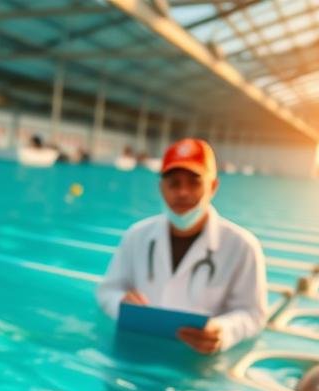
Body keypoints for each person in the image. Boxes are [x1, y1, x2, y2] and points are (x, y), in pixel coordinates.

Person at [96, 138, 267, 354]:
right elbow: (107, 291)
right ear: (161, 188)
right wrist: (120, 302)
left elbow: (253, 314)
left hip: (195, 364)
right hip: (136, 350)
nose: (183, 192)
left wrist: (223, 331)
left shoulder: (242, 246)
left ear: (213, 186)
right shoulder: (136, 235)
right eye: (174, 183)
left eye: (194, 182)